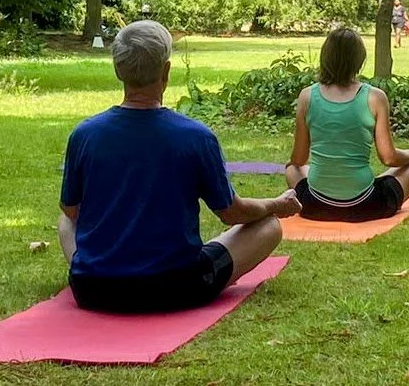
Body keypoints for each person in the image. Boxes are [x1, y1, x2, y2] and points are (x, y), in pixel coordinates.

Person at [58, 20, 298, 313]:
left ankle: (93, 269)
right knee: (269, 227)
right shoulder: (196, 137)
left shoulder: (84, 135)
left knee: (64, 220)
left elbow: (72, 212)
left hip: (94, 290)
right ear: (166, 71)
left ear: (117, 70)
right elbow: (232, 213)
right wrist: (276, 204)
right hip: (176, 288)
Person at [286, 27, 409, 222]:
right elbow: (389, 158)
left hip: (314, 205)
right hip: (366, 206)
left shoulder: (307, 96)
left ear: (325, 57)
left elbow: (298, 159)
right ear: (359, 60)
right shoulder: (375, 97)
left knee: (291, 169)